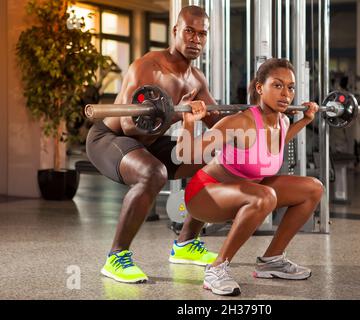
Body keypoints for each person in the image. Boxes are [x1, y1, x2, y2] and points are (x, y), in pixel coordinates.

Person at [86, 6, 220, 284]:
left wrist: (262, 113)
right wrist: (177, 113)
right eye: (189, 31)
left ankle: (185, 244)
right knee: (153, 172)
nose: (196, 39)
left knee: (216, 157)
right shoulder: (149, 67)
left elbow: (218, 125)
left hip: (151, 141)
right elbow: (130, 127)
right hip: (109, 139)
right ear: (175, 32)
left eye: (202, 34)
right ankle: (116, 257)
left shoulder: (196, 79)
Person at [178, 58, 323, 296]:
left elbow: (275, 144)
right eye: (277, 85)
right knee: (265, 196)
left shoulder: (284, 121)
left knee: (313, 188)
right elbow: (184, 154)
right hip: (204, 195)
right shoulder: (241, 122)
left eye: (290, 87)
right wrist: (188, 123)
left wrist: (305, 121)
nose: (286, 93)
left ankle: (272, 260)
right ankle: (216, 269)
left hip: (247, 191)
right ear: (259, 88)